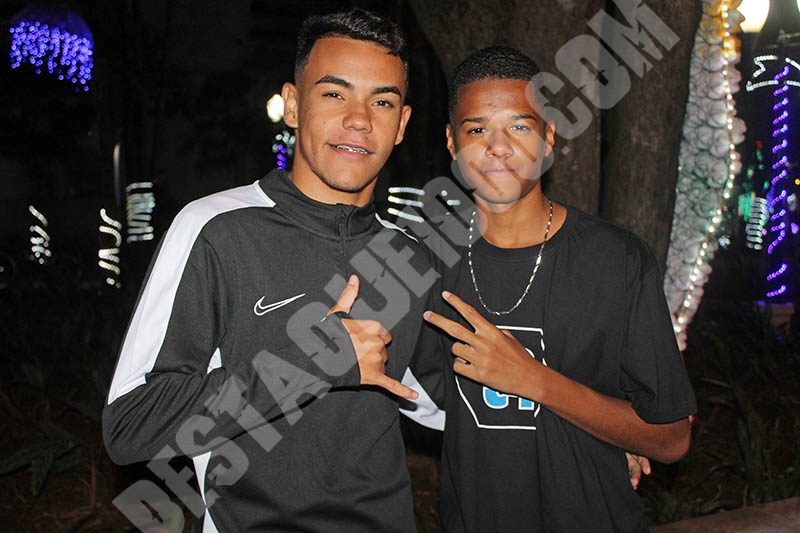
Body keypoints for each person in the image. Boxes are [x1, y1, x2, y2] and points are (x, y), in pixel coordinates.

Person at [103, 9, 437, 532]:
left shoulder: (412, 256)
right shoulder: (218, 229)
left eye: (382, 101)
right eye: (335, 93)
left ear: (402, 124)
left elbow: (455, 404)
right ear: (294, 105)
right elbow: (132, 423)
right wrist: (312, 362)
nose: (359, 119)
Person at [410, 46, 697, 532]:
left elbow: (671, 439)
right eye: (476, 130)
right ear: (452, 143)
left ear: (548, 137)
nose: (498, 147)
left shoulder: (616, 260)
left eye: (519, 127)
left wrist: (534, 380)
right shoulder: (424, 264)